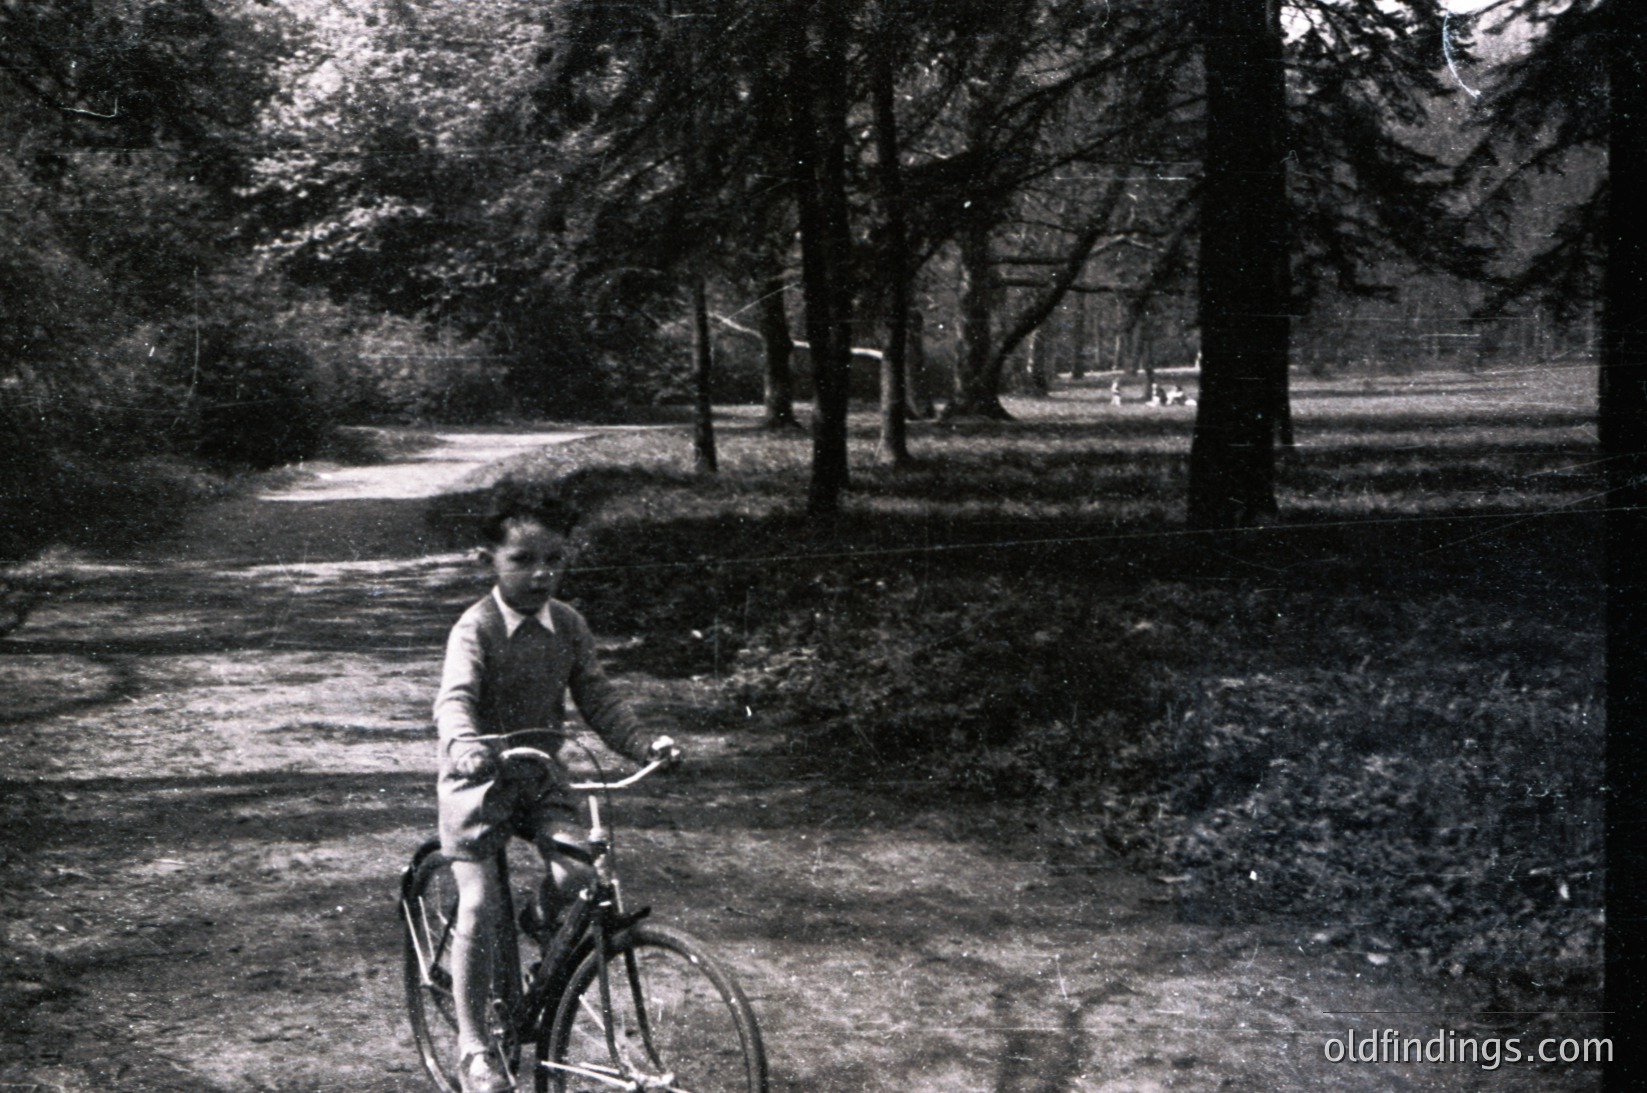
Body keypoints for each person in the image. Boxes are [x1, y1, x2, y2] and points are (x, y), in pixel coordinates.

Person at [433, 484, 678, 1093]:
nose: (540, 574)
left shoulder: (567, 624)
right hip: (479, 782)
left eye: (553, 560)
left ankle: (542, 920)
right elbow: (456, 698)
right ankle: (472, 1048)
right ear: (487, 559)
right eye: (522, 560)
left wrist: (644, 744)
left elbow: (596, 695)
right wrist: (464, 743)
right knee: (480, 905)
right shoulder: (476, 629)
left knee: (578, 875)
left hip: (539, 775)